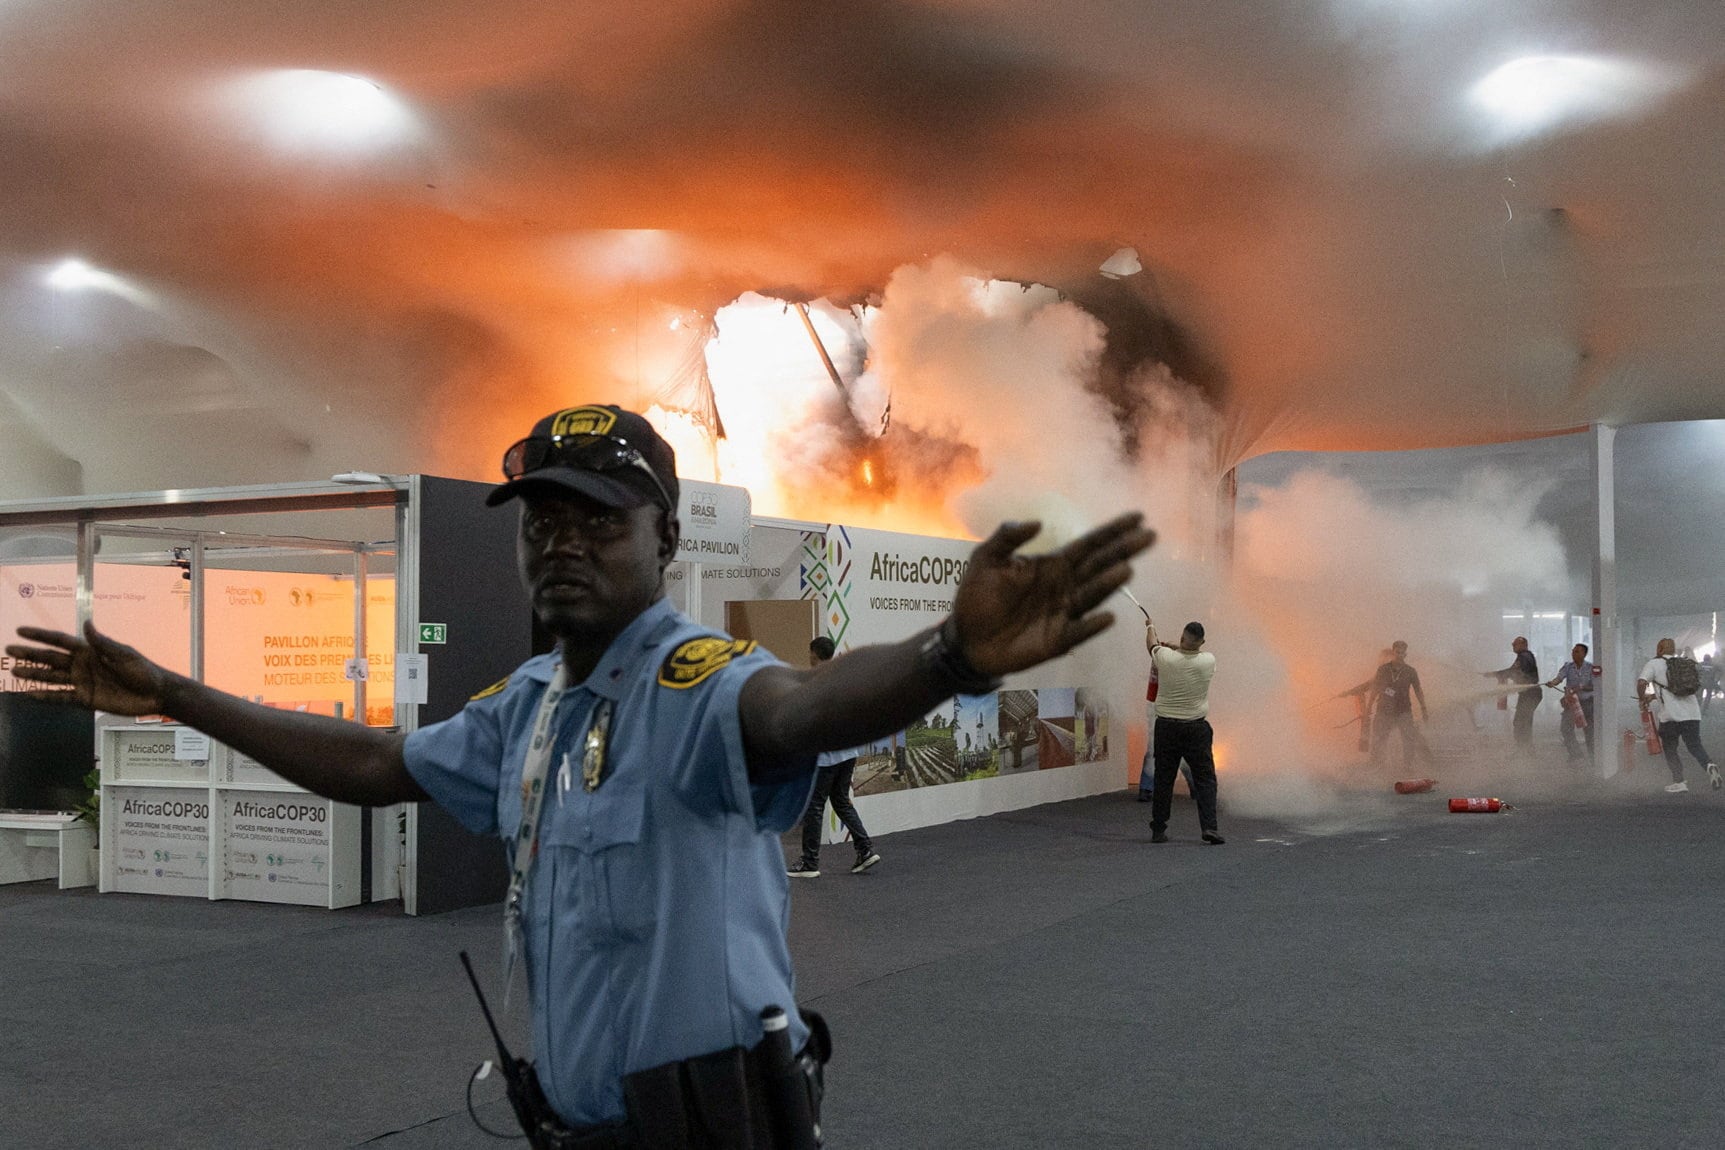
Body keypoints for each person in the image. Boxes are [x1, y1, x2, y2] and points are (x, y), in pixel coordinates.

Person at [8, 403, 1155, 1148]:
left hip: (706, 1131)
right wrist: (172, 692)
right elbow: (374, 762)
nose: (559, 542)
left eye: (597, 521)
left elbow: (800, 707)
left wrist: (947, 655)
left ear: (663, 540)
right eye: (540, 521)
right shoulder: (530, 708)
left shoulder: (698, 681)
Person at [787, 637, 880, 878]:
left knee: (815, 807)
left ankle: (810, 863)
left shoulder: (816, 681)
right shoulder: (843, 677)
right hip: (848, 752)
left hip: (827, 757)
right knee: (840, 801)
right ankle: (865, 848)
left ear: (813, 654)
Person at [1145, 619, 1222, 845]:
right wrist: (1177, 648)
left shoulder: (1166, 658)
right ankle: (1210, 828)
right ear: (1203, 642)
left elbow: (1151, 645)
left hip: (1167, 728)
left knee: (1163, 780)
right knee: (1206, 780)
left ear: (1181, 638)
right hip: (1196, 729)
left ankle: (1158, 829)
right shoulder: (1208, 660)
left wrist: (1150, 627)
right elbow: (1187, 654)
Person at [1637, 638, 1720, 793]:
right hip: (1693, 714)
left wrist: (1642, 699)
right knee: (1695, 746)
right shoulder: (1684, 664)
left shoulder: (1654, 664)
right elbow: (1676, 689)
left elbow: (1641, 683)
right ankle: (1709, 765)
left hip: (1670, 717)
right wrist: (1653, 697)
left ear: (1660, 648)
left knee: (1670, 748)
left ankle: (1679, 781)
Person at [1367, 641, 1433, 768]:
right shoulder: (1383, 669)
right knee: (1378, 739)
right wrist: (1369, 706)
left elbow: (1418, 690)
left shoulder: (1410, 671)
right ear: (1393, 652)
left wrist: (1424, 708)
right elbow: (1375, 688)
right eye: (1397, 652)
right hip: (1384, 710)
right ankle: (1376, 766)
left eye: (1402, 653)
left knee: (1408, 739)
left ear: (1405, 654)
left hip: (1403, 711)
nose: (1400, 655)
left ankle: (1407, 766)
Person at [1544, 643, 1596, 762]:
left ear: (1584, 654)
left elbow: (1594, 686)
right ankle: (1576, 754)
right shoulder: (1568, 666)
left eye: (1577, 651)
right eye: (1573, 651)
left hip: (1587, 703)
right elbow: (1559, 678)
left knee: (1589, 732)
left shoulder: (1591, 668)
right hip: (1572, 703)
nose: (1573, 654)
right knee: (1566, 728)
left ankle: (1593, 757)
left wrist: (1580, 687)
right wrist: (1552, 683)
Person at [1487, 636, 1541, 751]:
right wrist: (1496, 674)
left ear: (1523, 645)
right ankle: (1526, 749)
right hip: (1529, 694)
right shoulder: (1524, 656)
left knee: (1521, 722)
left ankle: (1524, 749)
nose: (1513, 646)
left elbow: (1514, 672)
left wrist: (1494, 674)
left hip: (1530, 694)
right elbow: (1513, 672)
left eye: (1515, 644)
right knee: (1524, 721)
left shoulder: (1524, 656)